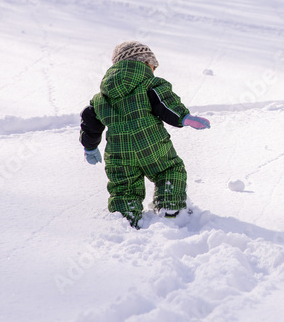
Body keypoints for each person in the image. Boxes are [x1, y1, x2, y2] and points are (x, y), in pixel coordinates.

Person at [80, 41, 211, 228]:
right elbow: (164, 103)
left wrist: (90, 146)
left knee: (124, 188)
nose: (154, 70)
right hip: (151, 144)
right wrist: (183, 117)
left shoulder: (102, 97)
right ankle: (170, 210)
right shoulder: (150, 84)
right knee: (170, 171)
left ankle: (124, 219)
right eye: (152, 66)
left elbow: (90, 121)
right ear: (144, 63)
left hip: (119, 154)